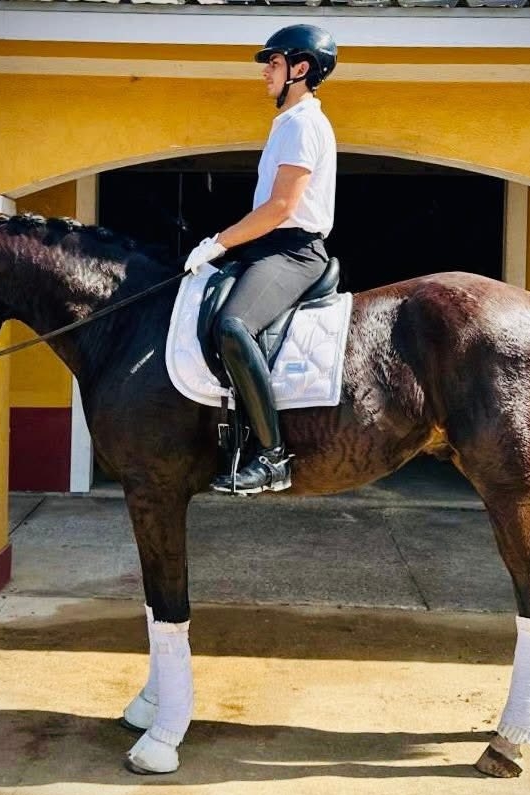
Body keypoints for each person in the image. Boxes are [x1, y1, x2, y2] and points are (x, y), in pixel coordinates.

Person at [183, 24, 338, 496]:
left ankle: (273, 457)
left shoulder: (304, 124)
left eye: (273, 63)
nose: (265, 73)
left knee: (233, 327)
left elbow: (281, 208)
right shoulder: (287, 124)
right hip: (270, 248)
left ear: (300, 68)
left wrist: (219, 242)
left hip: (294, 251)